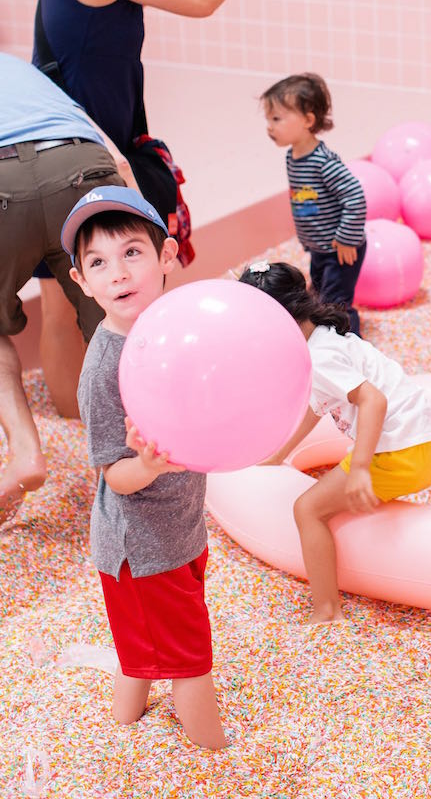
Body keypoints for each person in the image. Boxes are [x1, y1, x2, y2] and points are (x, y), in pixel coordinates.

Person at [32, 0, 252, 409]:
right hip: (92, 151)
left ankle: (77, 422)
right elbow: (200, 0)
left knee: (59, 299)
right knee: (131, 292)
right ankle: (133, 411)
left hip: (56, 142)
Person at [62, 186, 226, 749]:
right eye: (98, 263)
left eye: (132, 252)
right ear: (81, 281)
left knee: (144, 648)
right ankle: (216, 757)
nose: (118, 273)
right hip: (141, 548)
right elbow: (115, 476)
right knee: (189, 660)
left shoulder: (171, 332)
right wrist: (150, 464)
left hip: (178, 528)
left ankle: (124, 725)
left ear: (166, 256)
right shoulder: (104, 369)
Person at [238, 261, 431, 624]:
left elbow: (373, 400)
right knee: (318, 501)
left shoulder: (319, 358)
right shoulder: (320, 337)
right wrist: (280, 453)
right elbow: (316, 407)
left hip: (400, 453)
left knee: (307, 510)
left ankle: (326, 611)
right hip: (419, 444)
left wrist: (360, 467)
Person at [0, 52, 129, 526]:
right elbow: (118, 158)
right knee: (115, 327)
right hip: (82, 163)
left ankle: (24, 452)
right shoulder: (17, 68)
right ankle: (122, 468)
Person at [261, 73, 367, 333]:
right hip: (319, 248)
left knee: (336, 304)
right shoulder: (293, 156)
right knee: (318, 298)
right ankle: (322, 337)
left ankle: (350, 345)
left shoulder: (323, 162)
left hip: (340, 249)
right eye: (268, 119)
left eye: (276, 119)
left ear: (308, 121)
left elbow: (355, 196)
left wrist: (346, 238)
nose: (269, 127)